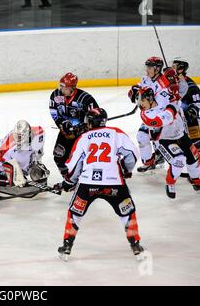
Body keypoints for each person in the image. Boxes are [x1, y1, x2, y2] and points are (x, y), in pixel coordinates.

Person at [56, 108, 144, 260]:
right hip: (114, 183)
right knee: (127, 212)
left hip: (87, 184)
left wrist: (68, 182)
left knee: (75, 213)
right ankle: (135, 244)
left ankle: (67, 246)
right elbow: (133, 154)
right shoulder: (116, 133)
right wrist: (125, 169)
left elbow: (73, 166)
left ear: (89, 123)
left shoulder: (83, 137)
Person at [137, 87, 200, 199]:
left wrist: (174, 93)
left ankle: (198, 184)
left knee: (194, 161)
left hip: (181, 135)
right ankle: (170, 183)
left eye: (143, 101)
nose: (141, 105)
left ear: (150, 99)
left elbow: (175, 91)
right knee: (179, 160)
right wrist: (172, 105)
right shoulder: (146, 114)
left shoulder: (161, 98)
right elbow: (167, 117)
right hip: (165, 140)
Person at [50, 72, 99, 177]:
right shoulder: (55, 96)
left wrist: (84, 127)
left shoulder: (86, 99)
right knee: (58, 156)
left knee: (80, 157)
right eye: (61, 86)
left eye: (64, 87)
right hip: (65, 132)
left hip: (82, 135)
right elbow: (54, 112)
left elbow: (96, 117)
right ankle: (67, 178)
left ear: (72, 87)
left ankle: (82, 178)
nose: (61, 89)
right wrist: (61, 125)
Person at [127, 57, 172, 172]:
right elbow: (137, 90)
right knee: (142, 136)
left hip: (159, 118)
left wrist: (146, 107)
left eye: (150, 67)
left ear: (157, 69)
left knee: (158, 141)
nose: (147, 70)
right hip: (148, 116)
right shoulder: (146, 79)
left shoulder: (164, 85)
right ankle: (149, 162)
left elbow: (163, 106)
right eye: (147, 67)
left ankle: (169, 161)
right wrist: (134, 92)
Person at [172, 59, 200, 174]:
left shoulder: (191, 85)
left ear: (181, 69)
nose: (172, 68)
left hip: (190, 119)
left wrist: (192, 111)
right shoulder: (171, 82)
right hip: (177, 119)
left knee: (196, 141)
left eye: (174, 67)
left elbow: (197, 102)